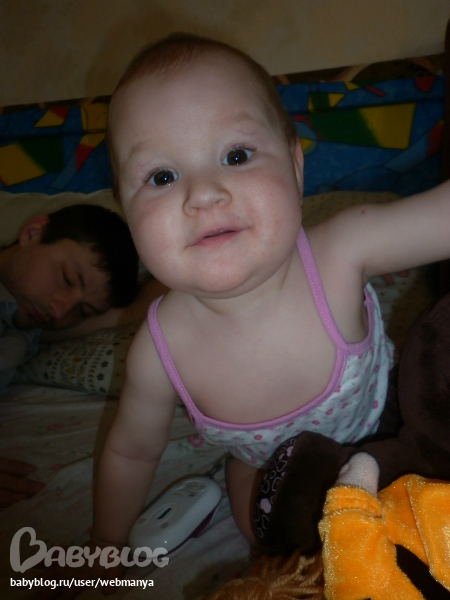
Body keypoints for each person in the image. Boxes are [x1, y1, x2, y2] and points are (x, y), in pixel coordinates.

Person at [41, 33, 450, 594]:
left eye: (236, 156)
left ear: (296, 168)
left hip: (389, 427)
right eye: (162, 177)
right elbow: (130, 451)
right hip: (274, 474)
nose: (204, 194)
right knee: (268, 530)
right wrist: (105, 545)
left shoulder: (341, 251)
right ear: (127, 213)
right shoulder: (159, 349)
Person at [0, 203, 145, 509]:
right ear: (33, 232)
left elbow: (144, 306)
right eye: (66, 278)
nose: (61, 310)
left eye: (83, 311)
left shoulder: (29, 328)